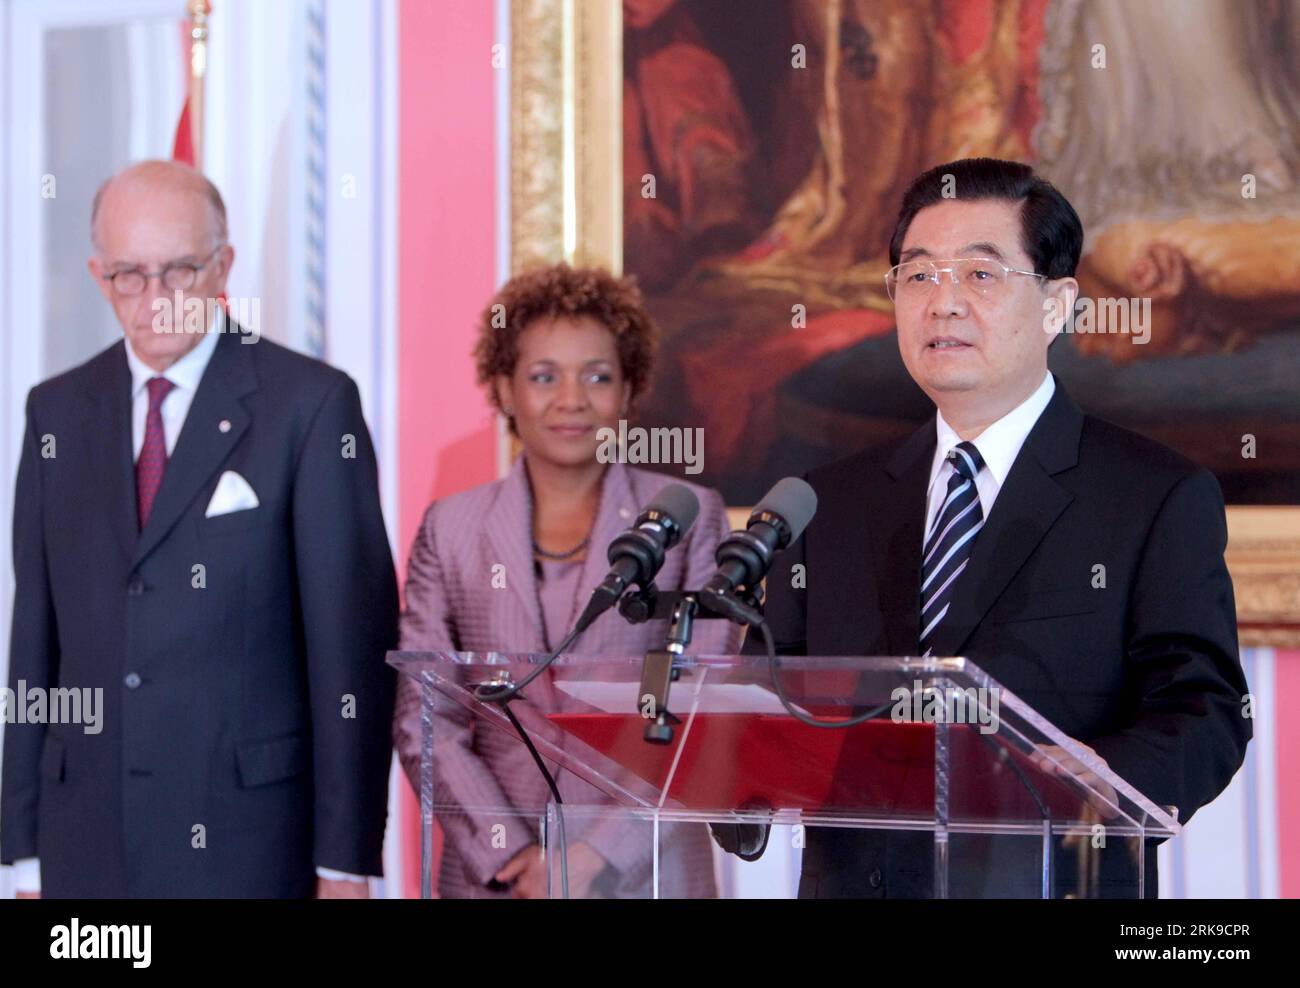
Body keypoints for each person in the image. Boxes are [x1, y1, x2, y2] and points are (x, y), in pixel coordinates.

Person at [715, 158, 1251, 897]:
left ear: (1058, 305)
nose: (943, 304)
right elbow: (773, 700)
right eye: (919, 276)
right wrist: (733, 773)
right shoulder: (822, 504)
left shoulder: (1153, 496)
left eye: (980, 274)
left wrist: (1105, 782)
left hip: (1055, 878)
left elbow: (1206, 709)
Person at [0, 161, 397, 898]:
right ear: (97, 275)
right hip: (84, 845)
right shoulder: (53, 411)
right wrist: (22, 850)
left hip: (249, 845)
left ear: (224, 267)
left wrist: (344, 861)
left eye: (180, 272)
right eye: (129, 275)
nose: (156, 301)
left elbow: (351, 651)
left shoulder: (309, 408)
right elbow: (35, 640)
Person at [393, 263, 740, 898]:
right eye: (543, 376)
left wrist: (593, 857)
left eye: (598, 376)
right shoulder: (451, 528)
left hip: (648, 874)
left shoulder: (689, 517)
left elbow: (703, 710)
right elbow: (425, 717)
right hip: (497, 880)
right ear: (502, 388)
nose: (572, 399)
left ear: (629, 390)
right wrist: (515, 854)